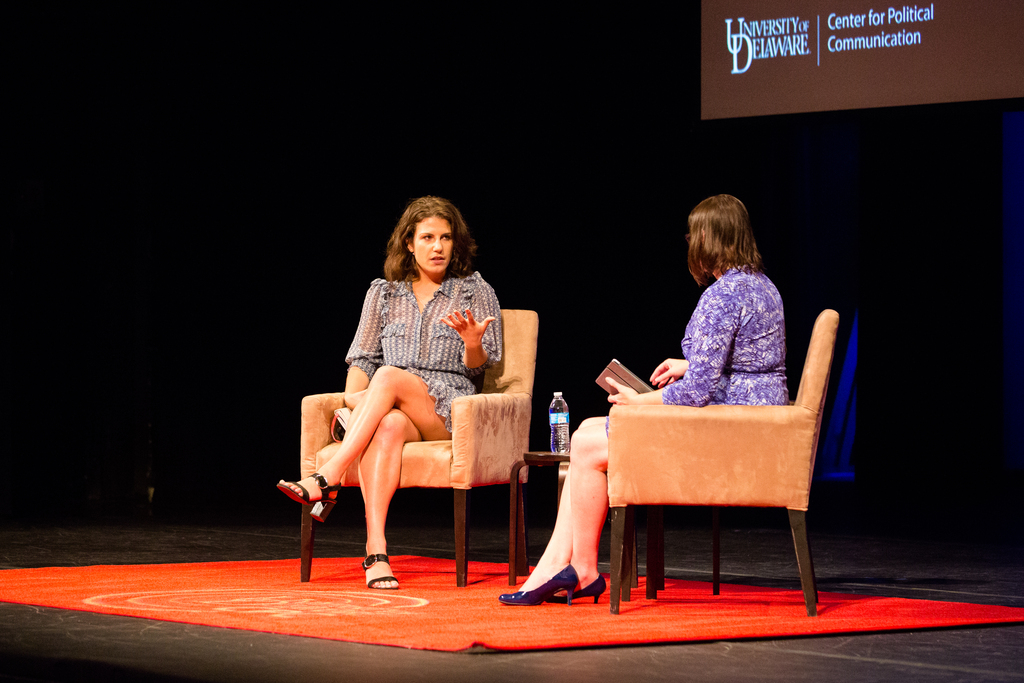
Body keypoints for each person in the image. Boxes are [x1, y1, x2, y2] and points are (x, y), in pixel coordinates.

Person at [499, 194, 787, 606]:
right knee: (585, 434)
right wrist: (688, 364)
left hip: (731, 430)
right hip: (753, 417)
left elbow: (697, 393)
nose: (690, 241)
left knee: (585, 442)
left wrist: (640, 402)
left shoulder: (722, 295)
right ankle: (567, 566)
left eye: (693, 233)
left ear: (707, 236)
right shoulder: (761, 286)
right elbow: (749, 362)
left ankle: (576, 568)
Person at [279, 196, 501, 590]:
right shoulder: (384, 294)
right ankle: (376, 551)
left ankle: (328, 477)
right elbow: (362, 360)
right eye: (428, 237)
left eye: (446, 237)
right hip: (393, 402)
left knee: (389, 376)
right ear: (409, 244)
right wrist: (354, 401)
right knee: (387, 425)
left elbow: (483, 363)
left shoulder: (473, 290)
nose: (438, 247)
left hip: (449, 408)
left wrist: (471, 343)